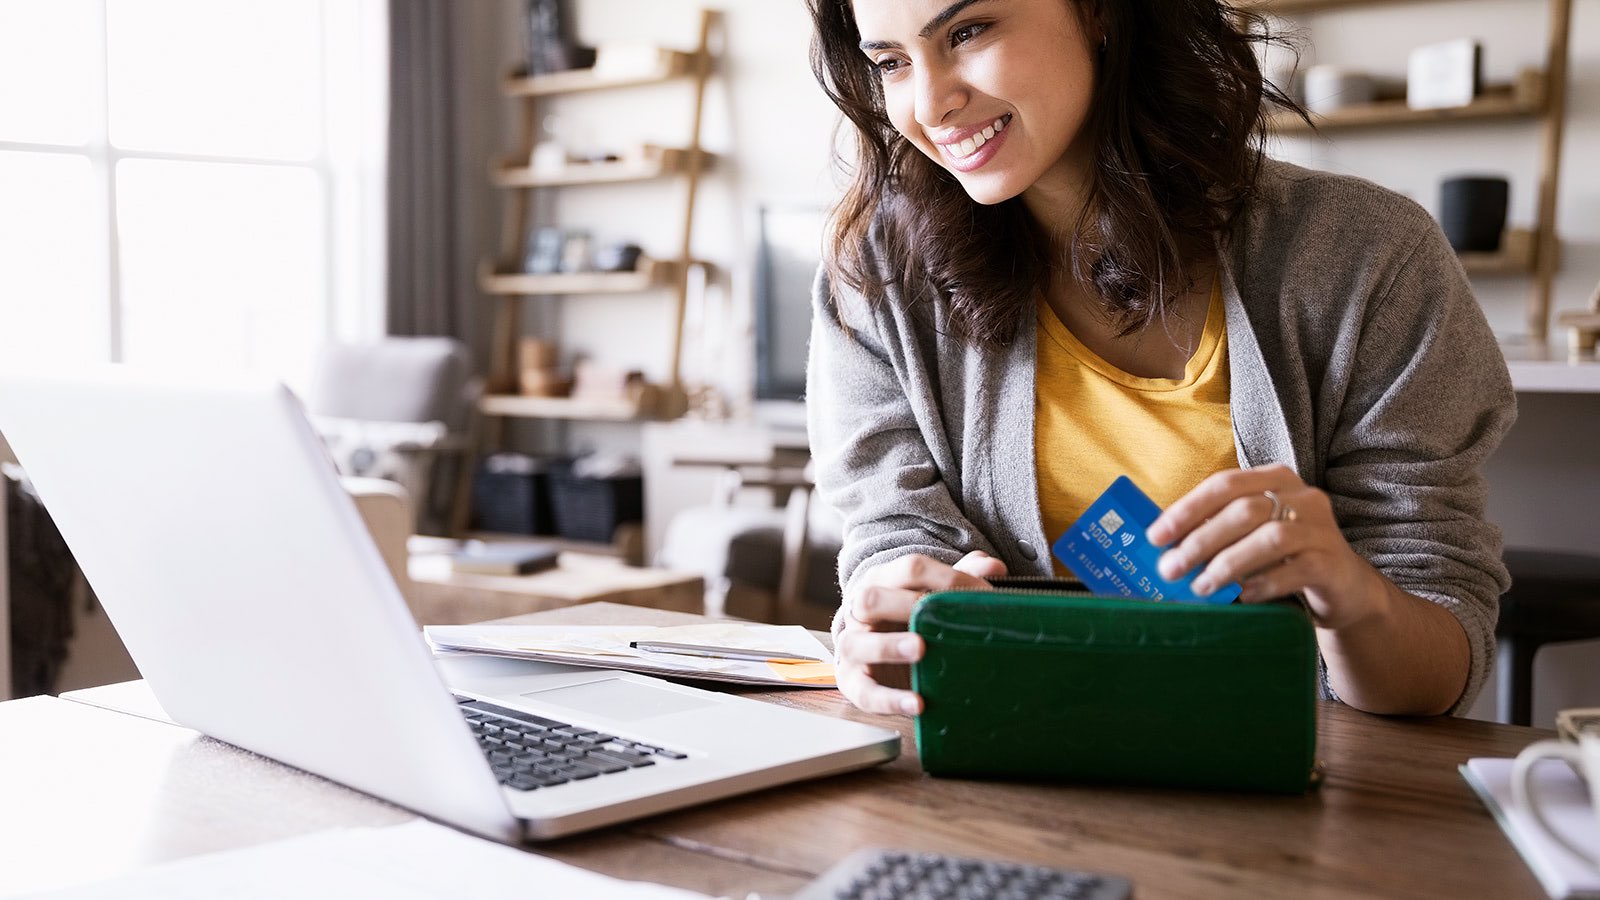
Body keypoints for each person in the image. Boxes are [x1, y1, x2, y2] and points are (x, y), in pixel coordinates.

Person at [803, 0, 1514, 719]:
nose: (930, 104)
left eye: (968, 32)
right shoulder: (877, 278)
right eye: (890, 62)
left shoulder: (1370, 257)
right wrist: (886, 628)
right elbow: (891, 547)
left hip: (1290, 784)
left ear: (1100, 12)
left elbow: (1437, 663)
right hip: (1008, 767)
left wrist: (1352, 599)